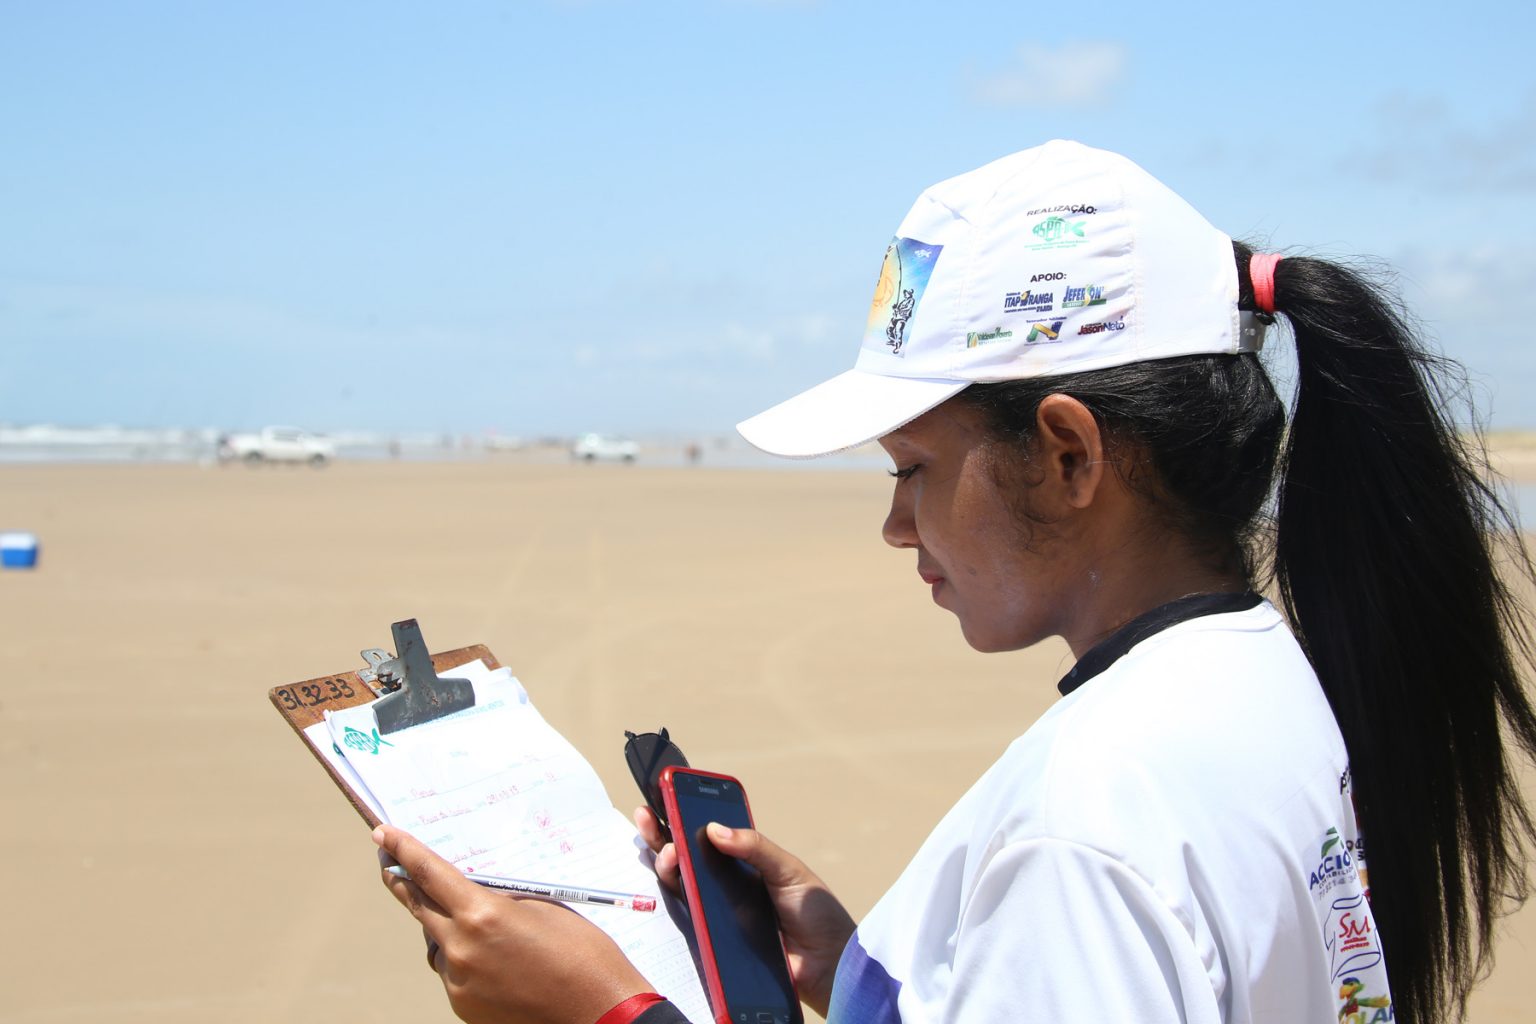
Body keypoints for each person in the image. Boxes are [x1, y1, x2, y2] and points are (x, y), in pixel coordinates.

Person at [372, 139, 1536, 1024]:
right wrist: (863, 972)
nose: (895, 524)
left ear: (1070, 455)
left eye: (913, 468)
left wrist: (608, 1011)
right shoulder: (1259, 678)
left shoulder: (1090, 823)